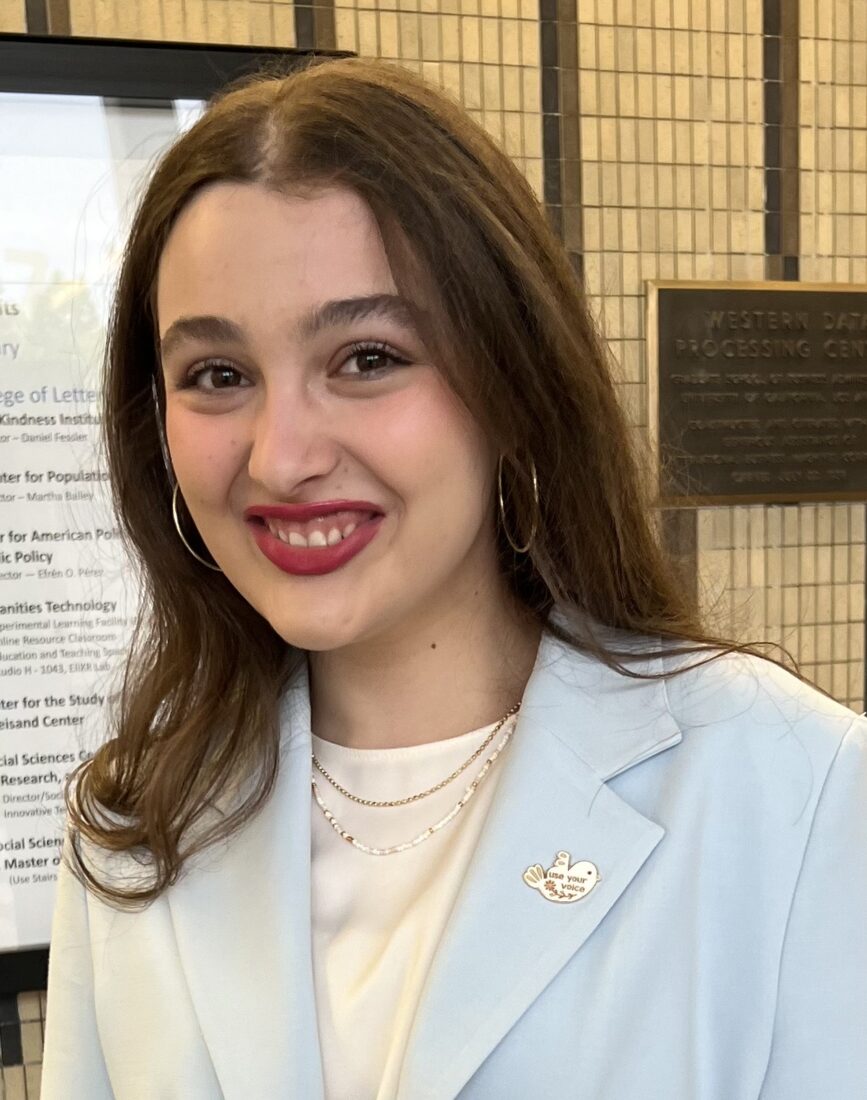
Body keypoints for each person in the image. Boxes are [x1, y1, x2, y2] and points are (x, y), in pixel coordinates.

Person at [41, 56, 866, 1100]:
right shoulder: (131, 822)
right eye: (217, 375)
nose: (280, 454)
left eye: (368, 358)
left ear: (512, 382)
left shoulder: (791, 788)